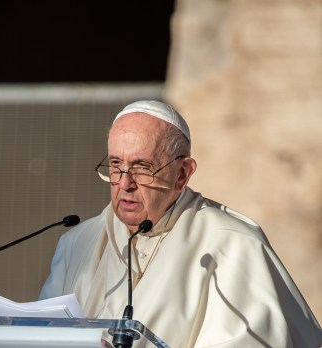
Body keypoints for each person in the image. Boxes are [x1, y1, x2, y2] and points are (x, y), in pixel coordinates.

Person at [39, 100, 322, 347]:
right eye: (115, 165)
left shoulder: (233, 245)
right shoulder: (77, 243)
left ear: (182, 174)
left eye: (142, 167)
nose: (125, 183)